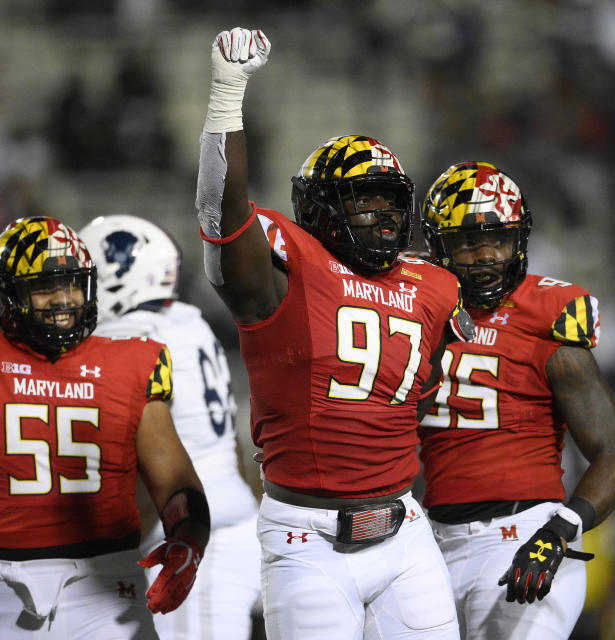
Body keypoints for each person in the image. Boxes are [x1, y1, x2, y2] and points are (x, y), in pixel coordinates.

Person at [194, 27, 476, 640]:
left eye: (390, 200)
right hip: (308, 538)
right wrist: (227, 93)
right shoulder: (287, 266)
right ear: (318, 208)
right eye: (362, 200)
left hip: (404, 531)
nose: (383, 214)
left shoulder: (432, 286)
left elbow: (431, 385)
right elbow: (222, 213)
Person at [0, 181, 211, 639]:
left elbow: (175, 479)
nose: (62, 300)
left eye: (71, 285)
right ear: (5, 295)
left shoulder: (131, 361)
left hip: (107, 581)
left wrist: (187, 539)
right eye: (43, 288)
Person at [417, 161, 615, 639]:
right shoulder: (415, 310)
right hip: (429, 544)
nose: (484, 256)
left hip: (524, 534)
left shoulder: (548, 316)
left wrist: (560, 531)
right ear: (438, 247)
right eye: (466, 243)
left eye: (497, 239)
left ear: (520, 239)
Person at [79, 214, 261, 639]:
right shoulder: (189, 320)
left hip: (191, 539)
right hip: (232, 523)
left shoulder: (128, 335)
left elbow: (136, 458)